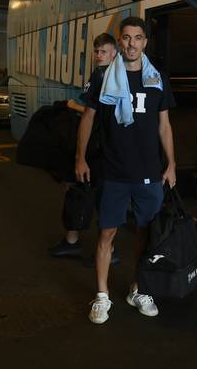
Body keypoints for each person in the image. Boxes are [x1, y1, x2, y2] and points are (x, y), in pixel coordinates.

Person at [75, 17, 176, 324]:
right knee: (107, 233)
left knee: (145, 234)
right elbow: (88, 118)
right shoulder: (103, 76)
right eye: (127, 37)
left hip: (149, 172)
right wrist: (80, 158)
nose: (132, 43)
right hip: (113, 170)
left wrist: (171, 164)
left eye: (138, 38)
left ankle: (138, 289)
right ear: (120, 41)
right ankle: (102, 296)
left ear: (145, 42)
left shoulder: (157, 79)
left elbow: (164, 125)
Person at [48, 32, 120, 264]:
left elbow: (97, 113)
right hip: (99, 147)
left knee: (96, 194)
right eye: (96, 51)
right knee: (83, 189)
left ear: (114, 53)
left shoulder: (107, 75)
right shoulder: (105, 73)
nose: (99, 55)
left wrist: (73, 105)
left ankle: (104, 250)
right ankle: (77, 242)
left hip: (103, 149)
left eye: (104, 51)